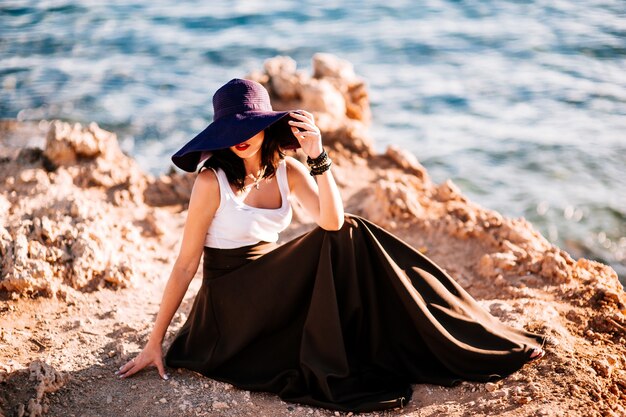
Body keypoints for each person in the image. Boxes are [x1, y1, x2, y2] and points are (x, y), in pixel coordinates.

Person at [116, 78, 546, 412]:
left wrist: (317, 156)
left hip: (273, 286)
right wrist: (155, 341)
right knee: (349, 233)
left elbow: (332, 220)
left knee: (350, 230)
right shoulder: (212, 180)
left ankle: (441, 329)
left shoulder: (288, 171)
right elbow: (186, 262)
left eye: (249, 126)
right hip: (232, 301)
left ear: (268, 127)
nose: (240, 138)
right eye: (231, 129)